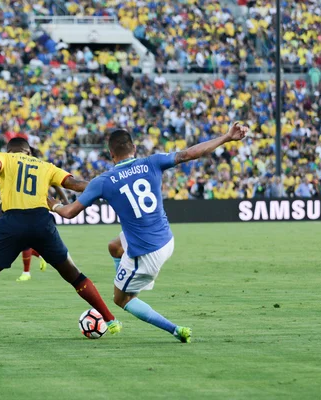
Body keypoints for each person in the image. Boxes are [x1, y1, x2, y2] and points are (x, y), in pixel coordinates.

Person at [48, 123, 249, 343]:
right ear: (134, 148)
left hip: (146, 252)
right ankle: (127, 279)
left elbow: (68, 213)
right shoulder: (152, 162)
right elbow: (190, 153)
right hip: (166, 239)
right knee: (114, 246)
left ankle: (175, 329)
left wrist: (52, 203)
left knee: (120, 300)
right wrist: (227, 137)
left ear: (111, 154)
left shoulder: (103, 181)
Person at [0, 138, 122, 334]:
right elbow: (74, 184)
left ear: (10, 150)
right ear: (28, 151)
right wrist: (106, 187)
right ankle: (110, 320)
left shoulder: (3, 158)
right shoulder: (45, 166)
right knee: (75, 276)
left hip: (12, 223)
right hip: (41, 222)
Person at [0, 140, 64, 282]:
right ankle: (39, 257)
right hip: (39, 215)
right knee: (26, 243)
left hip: (27, 212)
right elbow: (58, 185)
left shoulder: (20, 164)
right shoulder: (41, 166)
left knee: (22, 241)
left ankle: (27, 271)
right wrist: (65, 202)